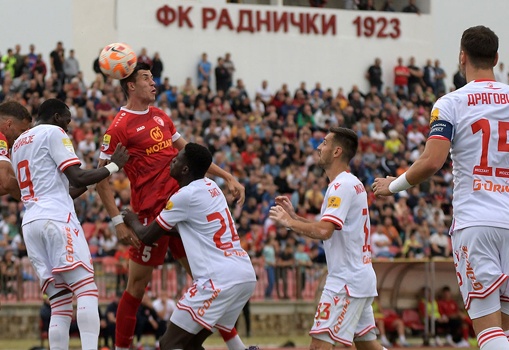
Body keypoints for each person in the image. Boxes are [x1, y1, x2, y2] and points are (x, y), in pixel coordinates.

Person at [372, 25, 509, 350]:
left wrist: (393, 186)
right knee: (507, 324)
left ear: (461, 57)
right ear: (496, 57)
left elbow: (431, 161)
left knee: (486, 326)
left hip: (476, 221)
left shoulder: (451, 102)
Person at [95, 62, 247, 350]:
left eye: (153, 77)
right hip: (149, 215)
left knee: (210, 282)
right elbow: (101, 179)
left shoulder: (162, 116)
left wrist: (228, 176)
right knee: (137, 287)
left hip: (181, 213)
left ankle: (235, 345)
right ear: (130, 85)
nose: (153, 82)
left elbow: (192, 154)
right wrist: (117, 221)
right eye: (146, 78)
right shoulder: (118, 127)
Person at [11, 98, 129, 350]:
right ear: (56, 117)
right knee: (86, 289)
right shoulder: (54, 133)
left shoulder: (18, 143)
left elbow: (65, 188)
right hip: (55, 218)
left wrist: (94, 179)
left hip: (31, 222)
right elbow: (76, 175)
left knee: (60, 301)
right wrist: (114, 166)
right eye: (67, 119)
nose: (69, 124)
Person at [122, 143, 257, 350]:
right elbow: (192, 230)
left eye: (177, 158)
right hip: (244, 274)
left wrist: (130, 218)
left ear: (185, 169)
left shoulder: (183, 196)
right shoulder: (212, 187)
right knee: (191, 344)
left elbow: (147, 237)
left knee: (168, 344)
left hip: (217, 280)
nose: (172, 159)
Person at [269, 127, 382, 350]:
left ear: (337, 151)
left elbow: (324, 232)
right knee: (369, 348)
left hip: (346, 281)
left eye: (324, 143)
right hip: (357, 277)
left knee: (319, 346)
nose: (319, 147)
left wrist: (289, 222)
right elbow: (327, 227)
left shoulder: (341, 186)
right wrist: (295, 217)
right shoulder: (348, 183)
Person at [0, 101, 32, 200]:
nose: (23, 136)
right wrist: (35, 201)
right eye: (22, 131)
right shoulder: (1, 138)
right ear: (9, 124)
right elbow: (7, 181)